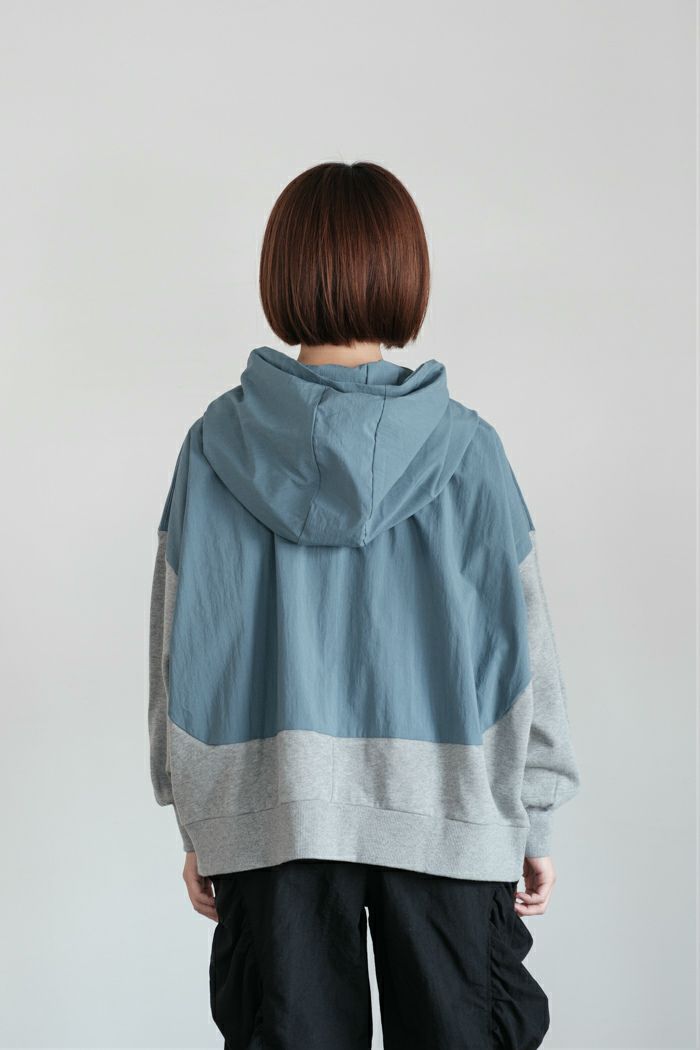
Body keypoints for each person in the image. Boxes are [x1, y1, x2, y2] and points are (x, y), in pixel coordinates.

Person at [148, 161, 581, 1049]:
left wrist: (204, 821)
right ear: (404, 273)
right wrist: (532, 813)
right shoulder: (468, 450)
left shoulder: (214, 449)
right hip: (449, 814)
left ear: (283, 273)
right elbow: (522, 650)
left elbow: (184, 652)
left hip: (276, 819)